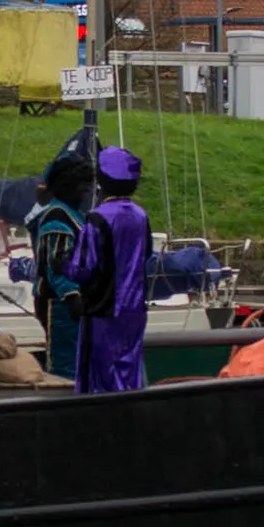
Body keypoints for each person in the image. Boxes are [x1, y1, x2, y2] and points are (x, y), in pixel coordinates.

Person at [73, 143, 153, 394]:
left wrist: (60, 263)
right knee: (130, 370)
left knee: (100, 376)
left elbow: (82, 268)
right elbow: (147, 253)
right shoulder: (140, 216)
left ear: (103, 179)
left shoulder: (97, 218)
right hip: (134, 310)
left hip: (103, 310)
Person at [24, 137, 96, 381]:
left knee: (80, 361)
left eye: (89, 185)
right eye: (82, 185)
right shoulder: (58, 218)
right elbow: (56, 263)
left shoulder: (74, 214)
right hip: (60, 303)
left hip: (73, 303)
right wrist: (73, 295)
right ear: (67, 185)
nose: (88, 191)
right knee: (66, 364)